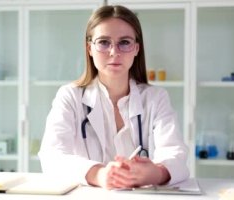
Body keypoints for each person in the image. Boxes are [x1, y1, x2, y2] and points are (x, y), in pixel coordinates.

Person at [38, 5, 189, 190]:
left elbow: (177, 155)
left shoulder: (155, 98)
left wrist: (156, 173)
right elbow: (51, 157)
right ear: (89, 49)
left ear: (136, 49)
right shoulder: (69, 96)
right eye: (103, 42)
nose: (114, 52)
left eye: (124, 42)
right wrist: (99, 174)